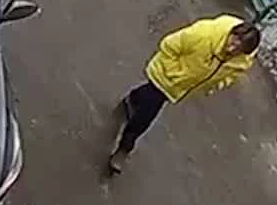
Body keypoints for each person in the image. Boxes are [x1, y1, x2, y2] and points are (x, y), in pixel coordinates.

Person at [108, 15, 261, 175]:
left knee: (148, 96)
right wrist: (174, 74)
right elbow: (169, 45)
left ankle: (133, 99)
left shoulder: (242, 61)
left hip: (181, 87)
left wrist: (216, 85)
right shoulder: (203, 35)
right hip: (165, 77)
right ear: (232, 33)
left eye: (240, 48)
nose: (233, 48)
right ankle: (125, 147)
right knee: (146, 115)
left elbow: (232, 75)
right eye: (235, 40)